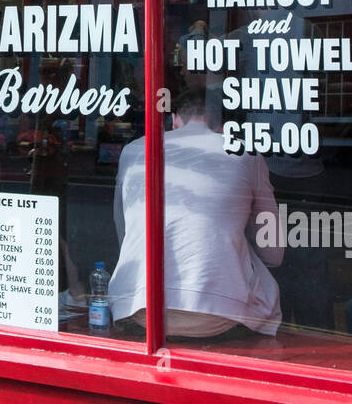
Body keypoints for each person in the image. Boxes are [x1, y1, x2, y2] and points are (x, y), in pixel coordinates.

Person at [108, 90, 285, 338]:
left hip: (139, 308)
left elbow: (124, 229)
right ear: (223, 125)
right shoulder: (245, 154)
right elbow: (273, 251)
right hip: (222, 314)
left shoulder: (134, 150)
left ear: (174, 119)